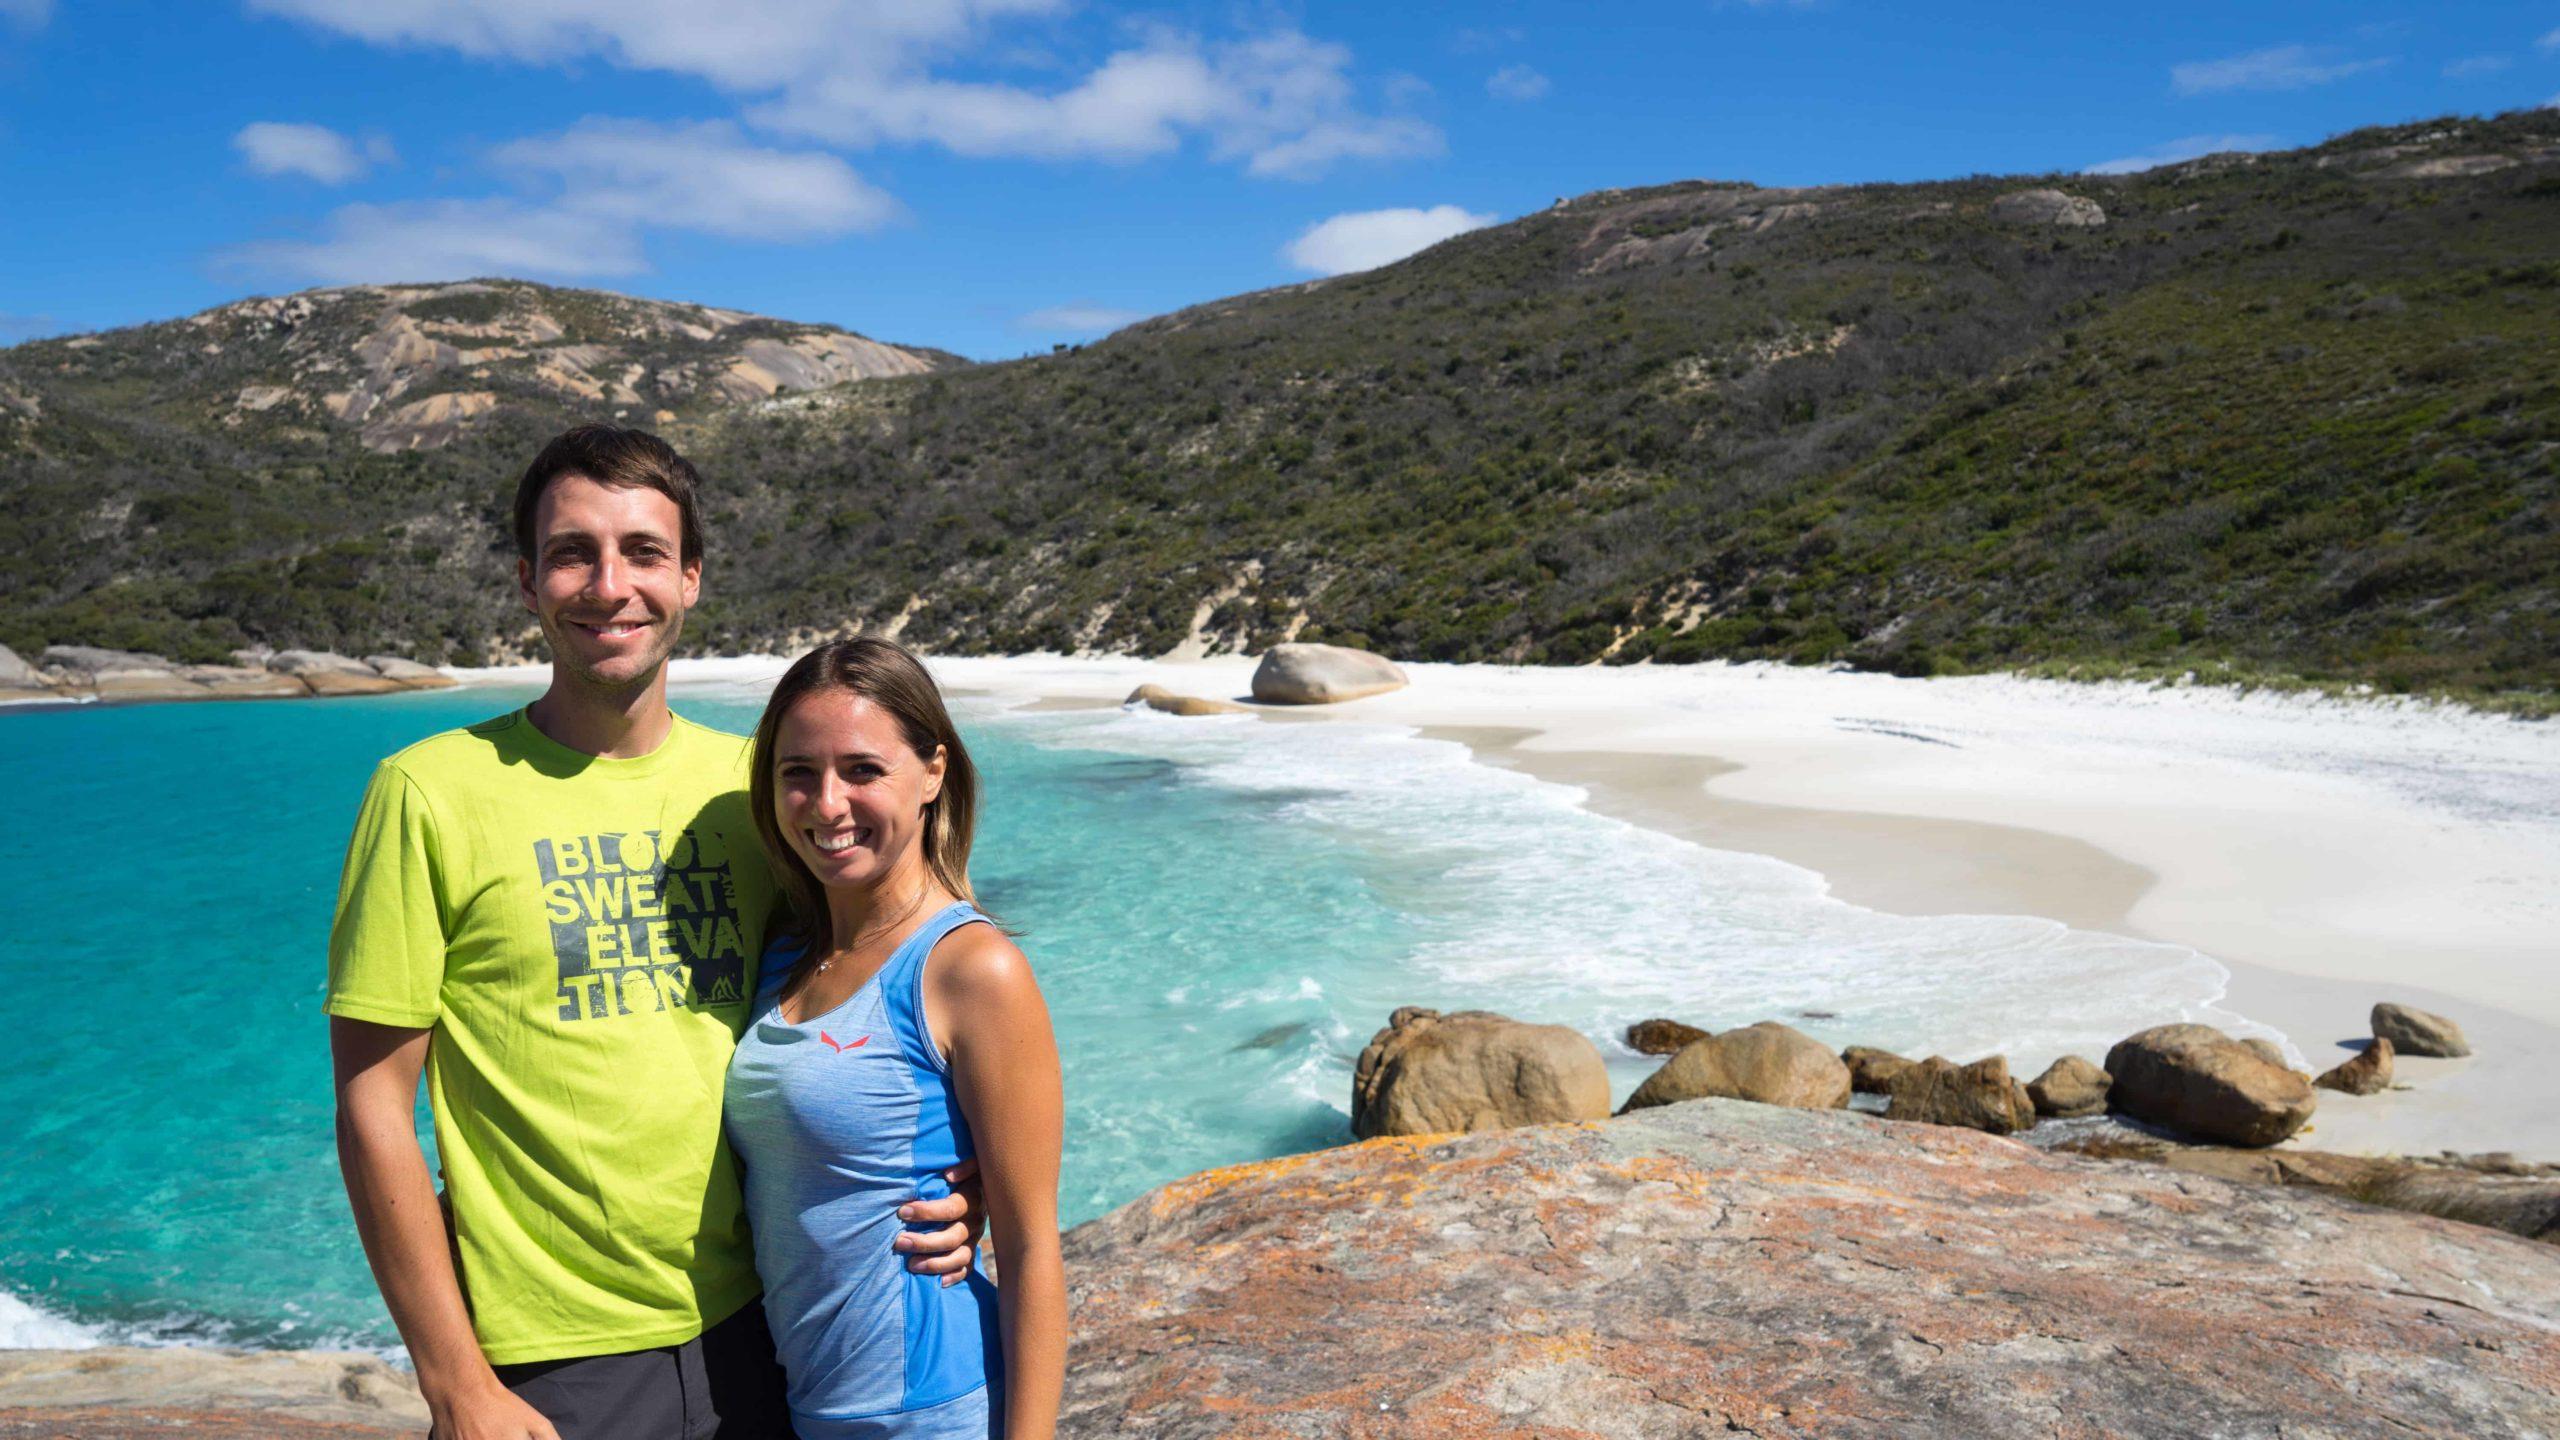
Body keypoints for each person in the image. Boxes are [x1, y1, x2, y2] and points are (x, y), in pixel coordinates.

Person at [326, 427, 984, 1440]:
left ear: (689, 578)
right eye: (571, 553)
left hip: (769, 1321)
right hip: (548, 1358)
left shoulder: (761, 790)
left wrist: (971, 1171)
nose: (607, 584)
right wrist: (457, 1386)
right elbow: (375, 1108)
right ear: (527, 581)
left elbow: (895, 972)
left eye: (640, 552)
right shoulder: (427, 793)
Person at [724, 639, 1066, 1440]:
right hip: (796, 1401)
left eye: (863, 771)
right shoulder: (783, 951)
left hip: (928, 1411)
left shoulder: (972, 968)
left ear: (933, 773)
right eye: (797, 773)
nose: (827, 803)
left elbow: (1030, 1251)